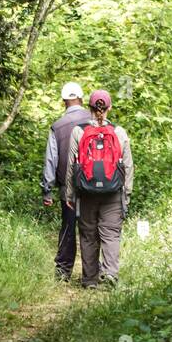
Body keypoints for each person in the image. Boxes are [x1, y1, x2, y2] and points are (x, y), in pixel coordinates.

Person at [64, 89, 133, 289]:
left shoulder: (79, 131)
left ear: (90, 108)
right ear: (109, 108)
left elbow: (71, 166)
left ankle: (90, 280)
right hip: (113, 192)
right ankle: (110, 275)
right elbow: (128, 166)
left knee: (88, 234)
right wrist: (126, 195)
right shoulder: (119, 132)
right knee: (111, 234)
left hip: (86, 192)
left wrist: (70, 194)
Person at [41, 82, 91, 281]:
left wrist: (47, 190)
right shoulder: (95, 120)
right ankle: (91, 275)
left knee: (68, 227)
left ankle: (63, 272)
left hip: (66, 186)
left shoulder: (57, 126)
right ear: (81, 98)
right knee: (90, 228)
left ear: (64, 102)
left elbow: (50, 160)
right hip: (94, 185)